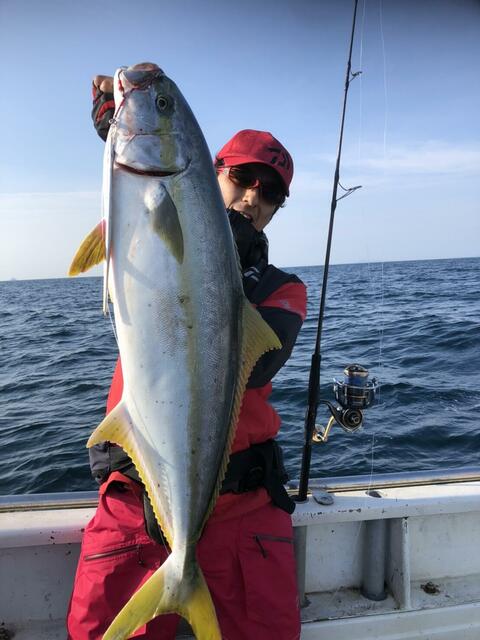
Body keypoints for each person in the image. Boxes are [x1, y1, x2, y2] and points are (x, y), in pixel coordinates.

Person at [67, 67, 307, 640]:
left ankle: (183, 570)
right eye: (244, 177)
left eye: (270, 191)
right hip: (134, 495)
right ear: (215, 172)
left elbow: (260, 363)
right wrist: (122, 130)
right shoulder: (136, 223)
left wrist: (216, 251)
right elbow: (145, 213)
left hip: (244, 513)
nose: (254, 196)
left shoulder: (282, 288)